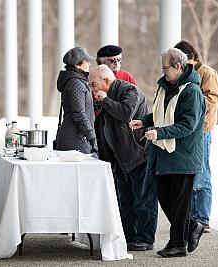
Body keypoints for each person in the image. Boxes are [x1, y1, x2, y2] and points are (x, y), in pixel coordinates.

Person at [129, 48, 205, 257]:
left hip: (184, 156)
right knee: (164, 196)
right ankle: (191, 227)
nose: (163, 72)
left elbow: (187, 124)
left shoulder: (192, 91)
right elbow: (161, 113)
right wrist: (144, 121)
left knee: (179, 202)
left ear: (178, 66)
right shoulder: (167, 87)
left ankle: (178, 244)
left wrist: (159, 133)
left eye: (166, 68)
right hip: (165, 154)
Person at [90, 65, 157, 251]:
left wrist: (105, 100)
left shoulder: (129, 90)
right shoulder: (104, 98)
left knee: (144, 199)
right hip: (120, 157)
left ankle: (145, 239)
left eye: (94, 84)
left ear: (106, 81)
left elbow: (126, 113)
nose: (92, 89)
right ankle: (129, 236)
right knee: (125, 200)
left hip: (139, 154)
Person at [175, 40, 218, 233]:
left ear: (190, 58)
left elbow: (212, 100)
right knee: (191, 172)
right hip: (189, 130)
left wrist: (190, 105)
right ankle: (193, 217)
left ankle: (202, 218)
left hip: (201, 130)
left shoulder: (207, 73)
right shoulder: (186, 75)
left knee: (202, 174)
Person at [55, 47, 98, 155]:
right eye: (87, 61)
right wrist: (91, 137)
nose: (90, 64)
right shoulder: (75, 83)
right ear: (77, 64)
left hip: (79, 138)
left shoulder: (79, 82)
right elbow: (79, 114)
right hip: (75, 140)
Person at [94, 45, 137, 116]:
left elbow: (135, 100)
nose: (116, 63)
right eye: (112, 61)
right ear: (103, 62)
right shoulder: (95, 77)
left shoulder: (127, 76)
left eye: (119, 60)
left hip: (124, 118)